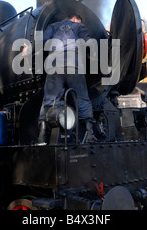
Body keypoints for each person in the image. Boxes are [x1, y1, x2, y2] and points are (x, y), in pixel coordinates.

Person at [36, 13, 105, 145]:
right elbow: (88, 42)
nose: (79, 23)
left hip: (54, 66)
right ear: (75, 19)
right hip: (73, 66)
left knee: (50, 100)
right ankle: (89, 134)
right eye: (79, 21)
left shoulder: (52, 26)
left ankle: (43, 136)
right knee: (82, 98)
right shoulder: (78, 26)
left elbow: (42, 42)